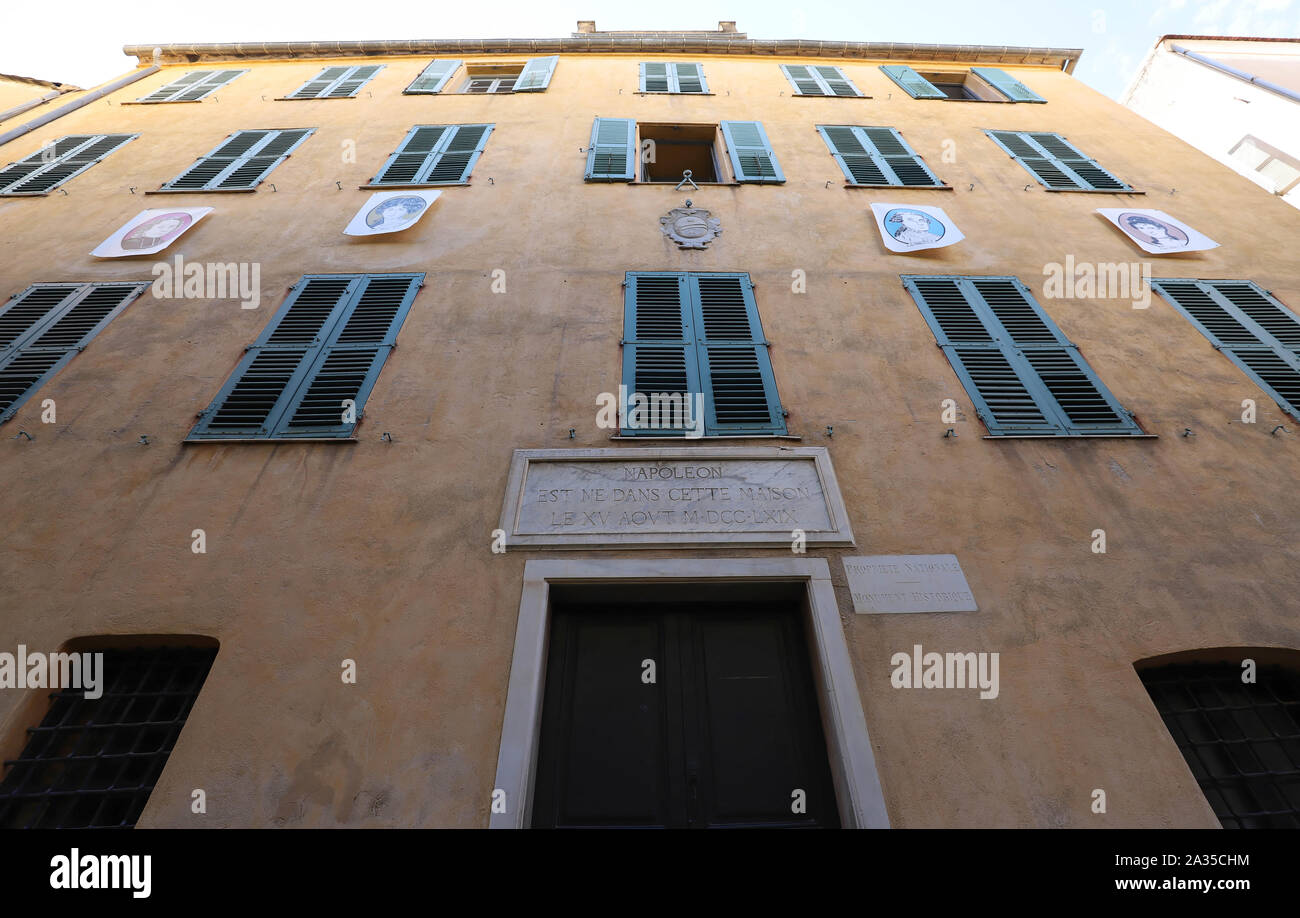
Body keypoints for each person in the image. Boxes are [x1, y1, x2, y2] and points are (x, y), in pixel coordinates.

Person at [121, 213, 190, 251]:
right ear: (151, 226)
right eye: (161, 226)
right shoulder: (129, 242)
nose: (165, 230)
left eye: (171, 227)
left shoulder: (160, 241)